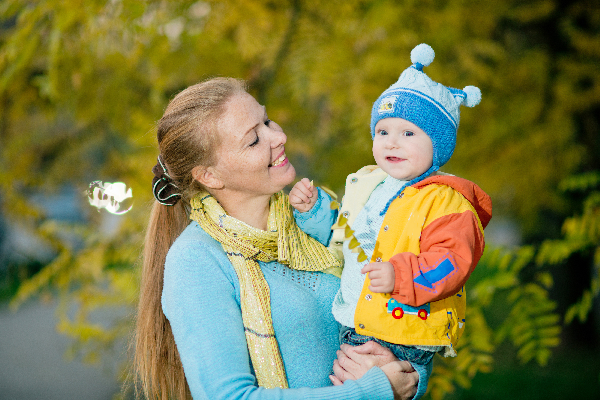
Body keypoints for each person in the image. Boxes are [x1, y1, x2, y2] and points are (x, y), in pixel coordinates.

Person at [133, 77, 420, 400]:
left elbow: (405, 324)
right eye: (254, 139)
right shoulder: (197, 259)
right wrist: (373, 391)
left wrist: (405, 375)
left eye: (267, 120)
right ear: (209, 175)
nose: (279, 136)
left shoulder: (316, 217)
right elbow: (229, 397)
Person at [289, 44, 493, 399]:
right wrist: (314, 212)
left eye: (408, 133)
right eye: (383, 132)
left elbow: (451, 262)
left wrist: (402, 275)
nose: (392, 143)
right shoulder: (368, 183)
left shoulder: (445, 200)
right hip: (356, 320)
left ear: (438, 144)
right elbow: (347, 238)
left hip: (402, 328)